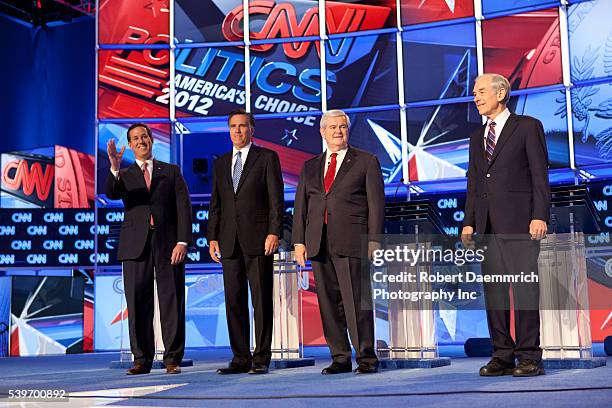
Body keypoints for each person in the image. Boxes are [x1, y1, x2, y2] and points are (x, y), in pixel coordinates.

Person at [461, 73, 550, 377]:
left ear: (500, 94)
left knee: (525, 291)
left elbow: (540, 176)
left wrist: (540, 215)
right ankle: (502, 354)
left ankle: (529, 356)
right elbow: (474, 181)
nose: (476, 97)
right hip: (486, 226)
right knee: (495, 294)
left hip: (520, 224)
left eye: (481, 91)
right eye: (475, 93)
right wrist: (469, 221)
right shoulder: (476, 137)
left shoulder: (527, 127)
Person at [292, 109, 385, 374]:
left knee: (356, 302)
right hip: (318, 243)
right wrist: (299, 242)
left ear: (348, 129)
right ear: (322, 131)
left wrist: (374, 240)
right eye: (331, 127)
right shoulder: (310, 166)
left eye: (342, 127)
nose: (337, 132)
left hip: (352, 240)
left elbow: (376, 205)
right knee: (329, 304)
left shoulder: (366, 161)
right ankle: (340, 357)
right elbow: (301, 206)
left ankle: (366, 358)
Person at [106, 123, 192, 375]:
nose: (141, 140)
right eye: (135, 138)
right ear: (130, 145)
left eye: (144, 136)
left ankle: (172, 359)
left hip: (168, 244)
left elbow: (183, 208)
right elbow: (110, 193)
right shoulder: (124, 174)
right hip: (135, 245)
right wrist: (113, 165)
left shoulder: (171, 171)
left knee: (171, 301)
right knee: (137, 301)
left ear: (152, 140)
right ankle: (141, 359)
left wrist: (182, 241)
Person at [207, 109, 284, 375]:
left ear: (252, 129)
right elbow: (215, 204)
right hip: (228, 242)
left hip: (260, 240)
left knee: (261, 300)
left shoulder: (267, 158)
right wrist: (212, 237)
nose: (237, 131)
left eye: (242, 126)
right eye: (233, 126)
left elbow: (276, 200)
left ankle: (261, 357)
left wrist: (275, 232)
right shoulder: (220, 162)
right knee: (234, 300)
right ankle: (240, 357)